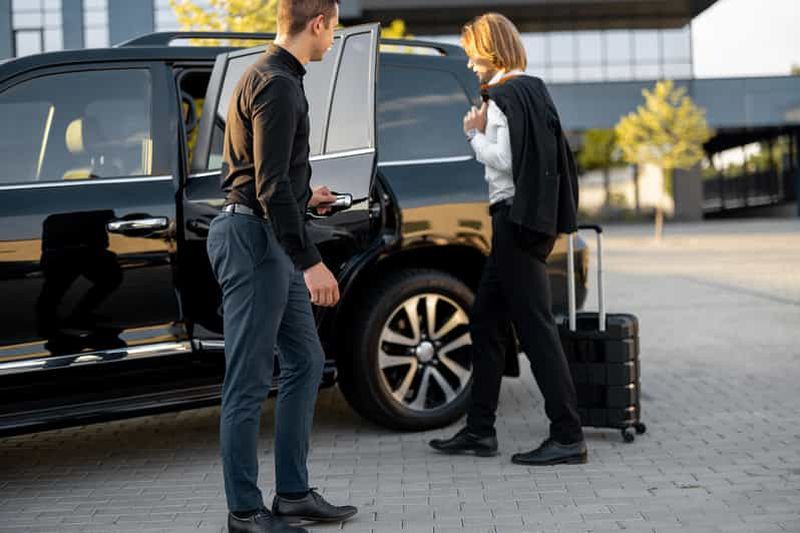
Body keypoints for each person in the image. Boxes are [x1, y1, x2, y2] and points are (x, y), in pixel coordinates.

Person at [205, 1, 357, 531]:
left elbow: (265, 176)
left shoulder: (270, 75)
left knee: (306, 360)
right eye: (334, 27)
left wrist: (305, 194)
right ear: (317, 24)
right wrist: (311, 262)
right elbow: (268, 186)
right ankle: (245, 512)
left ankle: (292, 495)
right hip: (253, 240)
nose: (334, 37)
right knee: (247, 381)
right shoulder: (276, 84)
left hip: (265, 236)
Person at [429, 12, 588, 466]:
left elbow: (504, 160)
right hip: (532, 221)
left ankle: (568, 436)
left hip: (512, 222)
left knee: (536, 329)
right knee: (485, 321)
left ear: (490, 51)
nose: (470, 64)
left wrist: (473, 135)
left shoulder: (499, 98)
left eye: (472, 55)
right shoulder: (534, 91)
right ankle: (480, 431)